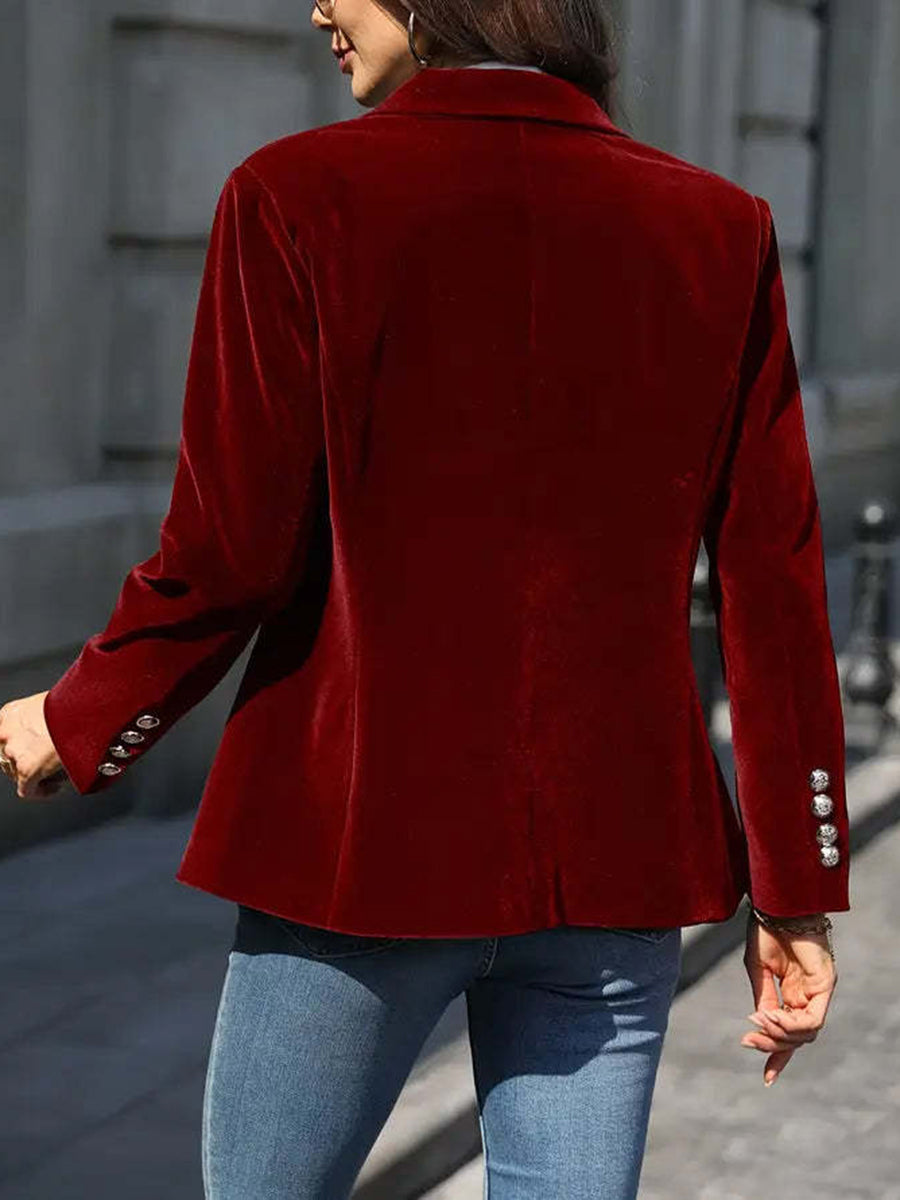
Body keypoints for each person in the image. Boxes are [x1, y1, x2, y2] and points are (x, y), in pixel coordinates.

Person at [0, 1, 849, 1196]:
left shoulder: (297, 195)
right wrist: (798, 890)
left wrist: (83, 713)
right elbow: (774, 584)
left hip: (358, 849)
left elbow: (234, 548)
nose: (316, 6)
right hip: (614, 866)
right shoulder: (718, 226)